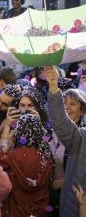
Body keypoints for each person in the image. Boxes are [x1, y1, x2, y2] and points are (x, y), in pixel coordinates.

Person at [45, 65, 86, 217]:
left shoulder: (80, 135)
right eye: (64, 103)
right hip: (57, 199)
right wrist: (54, 86)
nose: (67, 108)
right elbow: (60, 120)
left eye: (72, 104)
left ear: (82, 110)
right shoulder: (79, 137)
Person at [0, 113, 53, 217]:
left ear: (19, 133)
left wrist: (7, 143)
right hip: (39, 212)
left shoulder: (14, 156)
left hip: (14, 211)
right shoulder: (46, 159)